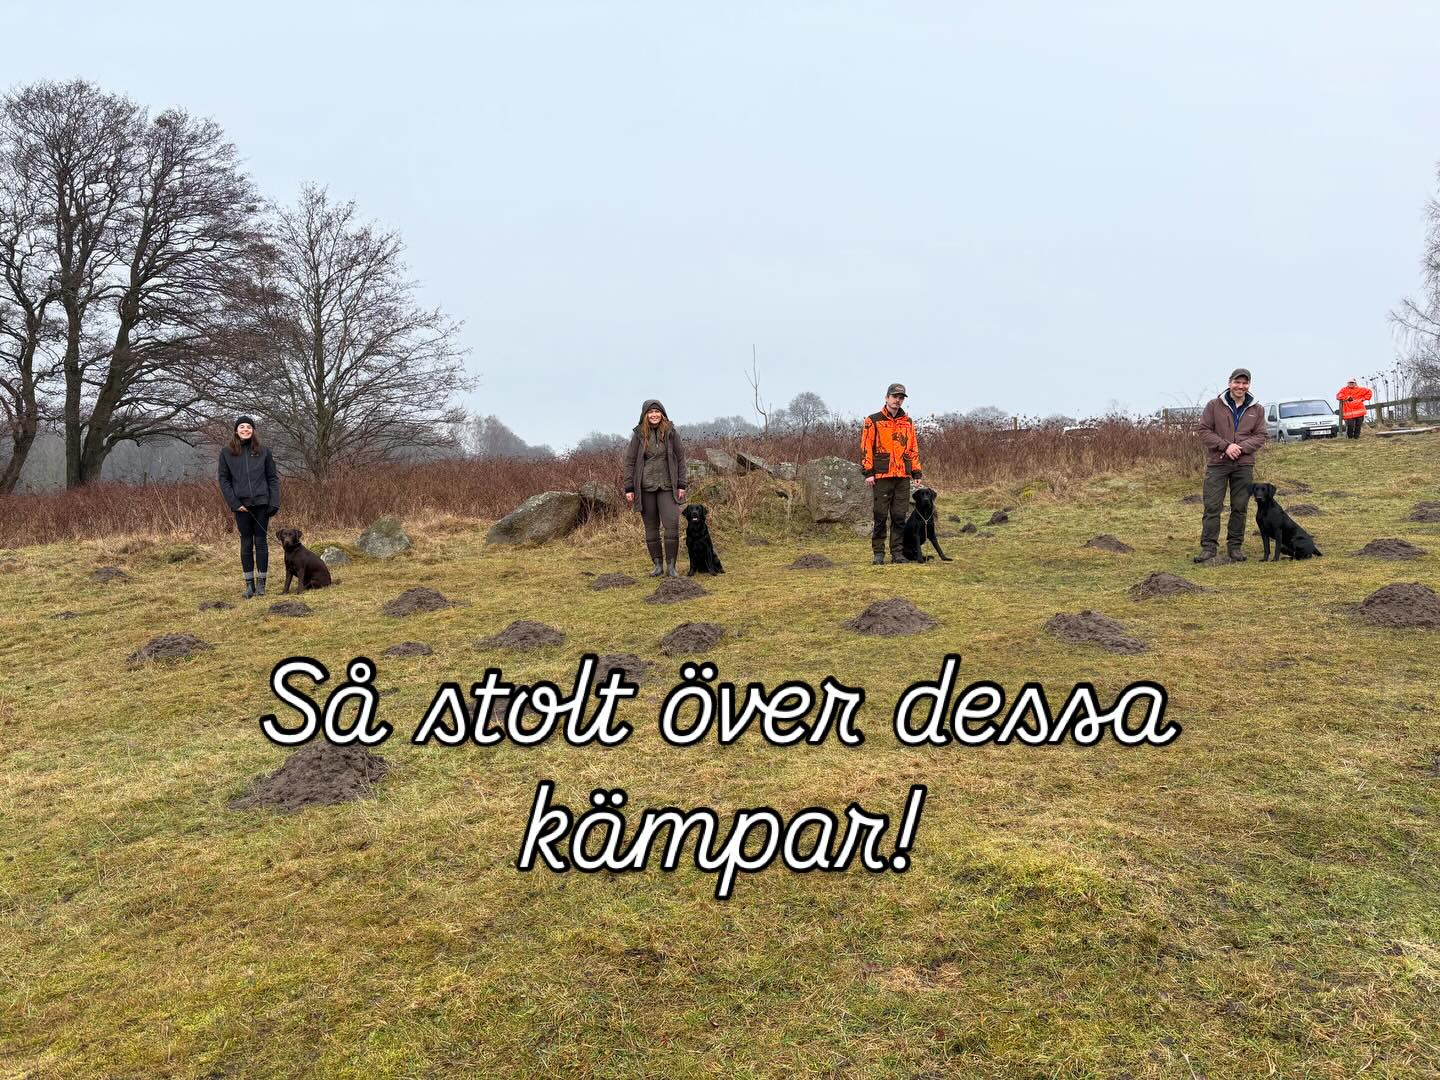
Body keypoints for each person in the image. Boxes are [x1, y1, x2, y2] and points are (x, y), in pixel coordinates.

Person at [1195, 369, 1267, 563]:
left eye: (1245, 383)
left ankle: (1235, 547)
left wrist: (1240, 448)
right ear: (1229, 383)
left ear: (1249, 385)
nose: (1240, 387)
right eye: (1237, 382)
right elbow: (1203, 430)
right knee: (1212, 506)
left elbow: (1261, 435)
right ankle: (1208, 548)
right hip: (1218, 464)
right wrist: (1226, 446)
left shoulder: (1257, 409)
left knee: (1240, 507)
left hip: (1243, 465)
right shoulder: (1213, 406)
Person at [623, 399, 687, 578]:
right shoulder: (638, 435)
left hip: (667, 486)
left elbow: (681, 459)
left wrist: (682, 484)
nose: (654, 415)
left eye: (657, 411)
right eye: (650, 412)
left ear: (662, 414)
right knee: (651, 528)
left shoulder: (671, 433)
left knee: (671, 525)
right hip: (645, 487)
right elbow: (630, 462)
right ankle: (657, 565)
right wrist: (629, 487)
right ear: (645, 415)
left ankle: (671, 567)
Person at [861, 382, 924, 564]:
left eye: (901, 397)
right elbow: (866, 447)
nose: (898, 400)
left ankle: (897, 553)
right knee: (880, 515)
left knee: (899, 516)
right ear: (887, 397)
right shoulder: (873, 420)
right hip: (881, 475)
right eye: (895, 396)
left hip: (902, 475)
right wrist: (868, 472)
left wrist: (916, 471)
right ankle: (878, 553)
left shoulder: (908, 422)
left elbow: (912, 448)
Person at [218, 416, 281, 597]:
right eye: (242, 427)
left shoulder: (264, 451)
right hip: (241, 506)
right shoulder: (226, 453)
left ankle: (262, 584)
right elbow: (224, 480)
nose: (245, 429)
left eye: (248, 427)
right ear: (236, 430)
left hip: (262, 503)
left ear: (253, 430)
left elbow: (272, 478)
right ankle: (249, 586)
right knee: (246, 543)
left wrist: (274, 502)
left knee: (261, 542)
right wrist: (235, 503)